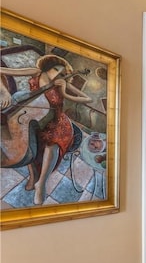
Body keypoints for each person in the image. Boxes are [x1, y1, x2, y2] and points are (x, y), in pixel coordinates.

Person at [0, 54, 92, 205]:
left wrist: (64, 91)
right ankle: (33, 174)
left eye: (62, 73)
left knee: (52, 143)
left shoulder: (61, 83)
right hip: (34, 115)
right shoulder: (35, 72)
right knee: (30, 140)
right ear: (47, 67)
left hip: (56, 120)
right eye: (55, 70)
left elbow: (88, 99)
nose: (57, 75)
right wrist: (4, 92)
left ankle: (41, 184)